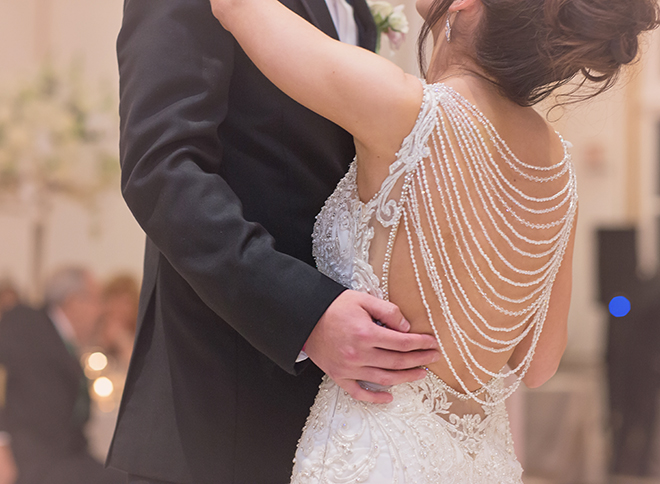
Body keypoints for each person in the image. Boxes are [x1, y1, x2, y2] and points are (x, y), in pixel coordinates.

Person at [209, 0, 659, 481]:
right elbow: (540, 362)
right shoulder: (556, 168)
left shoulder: (405, 108)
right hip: (480, 464)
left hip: (374, 456)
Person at [107, 1, 440, 483]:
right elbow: (163, 172)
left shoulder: (358, 13)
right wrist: (307, 316)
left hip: (335, 423)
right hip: (220, 409)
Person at [0, 267, 125, 484]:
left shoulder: (59, 338)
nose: (102, 310)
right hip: (35, 463)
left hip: (62, 458)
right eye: (97, 300)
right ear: (74, 301)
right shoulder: (25, 321)